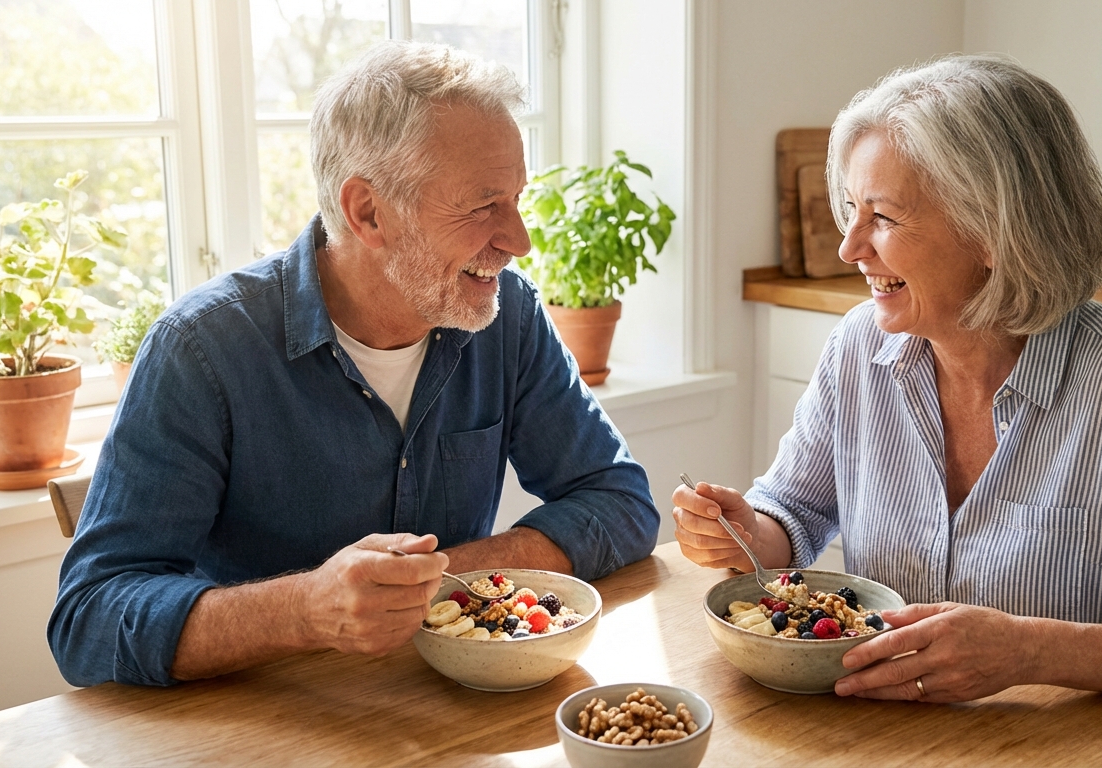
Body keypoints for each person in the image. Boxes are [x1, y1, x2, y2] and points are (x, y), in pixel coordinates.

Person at [673, 54, 1102, 711]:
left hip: (1066, 748)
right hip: (881, 733)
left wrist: (1030, 650)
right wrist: (749, 532)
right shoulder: (858, 347)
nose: (849, 248)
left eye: (883, 217)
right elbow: (793, 510)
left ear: (994, 232)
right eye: (852, 209)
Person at [50, 41, 659, 687]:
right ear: (367, 212)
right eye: (484, 206)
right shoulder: (200, 349)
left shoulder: (507, 316)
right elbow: (88, 622)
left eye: (515, 199)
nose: (520, 241)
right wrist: (307, 609)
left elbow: (620, 502)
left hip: (448, 701)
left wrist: (443, 578)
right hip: (262, 715)